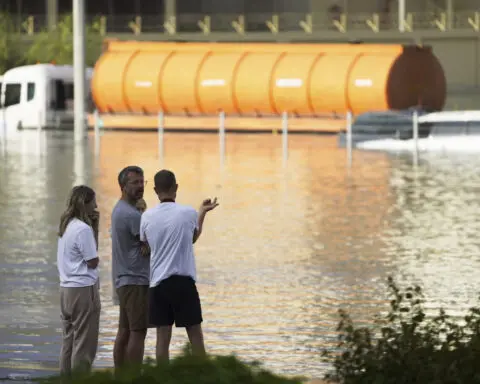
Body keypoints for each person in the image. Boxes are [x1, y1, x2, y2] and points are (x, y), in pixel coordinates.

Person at [140, 169, 219, 361]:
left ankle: (162, 378)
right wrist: (202, 212)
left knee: (162, 338)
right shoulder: (188, 213)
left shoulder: (147, 217)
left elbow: (145, 247)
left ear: (155, 190)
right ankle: (203, 375)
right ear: (176, 187)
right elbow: (193, 237)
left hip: (158, 284)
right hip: (183, 283)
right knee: (195, 335)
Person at [57, 185, 101, 375]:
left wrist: (95, 228)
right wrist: (93, 230)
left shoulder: (67, 225)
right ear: (85, 203)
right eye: (93, 202)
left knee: (68, 343)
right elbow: (92, 260)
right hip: (83, 290)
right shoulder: (83, 229)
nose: (97, 206)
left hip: (66, 290)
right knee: (84, 345)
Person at [111, 166, 150, 369]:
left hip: (124, 278)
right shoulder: (131, 215)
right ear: (123, 186)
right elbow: (151, 243)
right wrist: (147, 244)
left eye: (142, 182)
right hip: (135, 280)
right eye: (135, 182)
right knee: (138, 331)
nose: (140, 186)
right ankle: (134, 376)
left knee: (124, 330)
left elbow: (143, 241)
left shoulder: (121, 209)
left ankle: (120, 375)